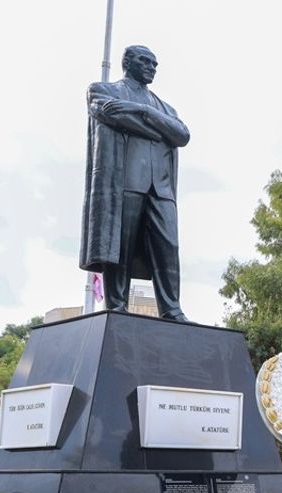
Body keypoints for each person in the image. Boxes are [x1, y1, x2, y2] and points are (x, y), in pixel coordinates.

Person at [81, 45, 191, 320]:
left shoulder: (165, 107)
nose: (152, 67)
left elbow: (181, 135)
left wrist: (143, 111)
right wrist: (158, 131)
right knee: (121, 245)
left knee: (168, 248)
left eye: (155, 63)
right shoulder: (103, 90)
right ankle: (116, 305)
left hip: (161, 187)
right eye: (145, 61)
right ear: (127, 62)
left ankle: (171, 309)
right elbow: (109, 113)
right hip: (125, 180)